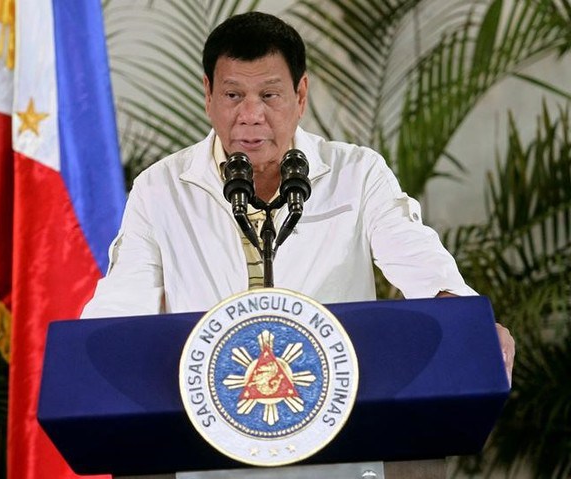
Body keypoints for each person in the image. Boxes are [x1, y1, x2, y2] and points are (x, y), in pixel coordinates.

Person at [81, 11, 514, 381]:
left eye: (269, 95)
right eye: (233, 95)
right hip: (206, 415)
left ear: (300, 95)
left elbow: (420, 263)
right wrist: (83, 357)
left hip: (336, 405)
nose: (250, 115)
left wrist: (466, 322)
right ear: (208, 95)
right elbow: (121, 307)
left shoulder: (358, 173)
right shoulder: (161, 189)